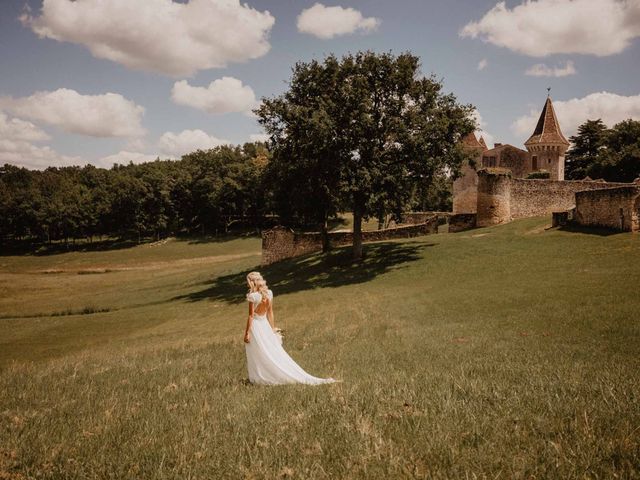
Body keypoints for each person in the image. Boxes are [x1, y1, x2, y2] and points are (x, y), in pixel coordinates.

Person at [243, 271, 336, 385]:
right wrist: (272, 329)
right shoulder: (269, 293)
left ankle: (259, 378)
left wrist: (247, 333)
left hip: (257, 326)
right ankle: (265, 375)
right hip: (265, 325)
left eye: (248, 282)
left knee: (259, 352)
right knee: (272, 351)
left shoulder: (253, 296)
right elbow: (270, 312)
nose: (247, 285)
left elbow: (251, 316)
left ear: (252, 282)